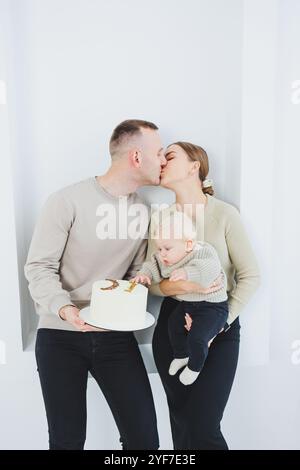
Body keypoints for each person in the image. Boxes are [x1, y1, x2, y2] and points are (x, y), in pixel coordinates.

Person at [24, 119, 166, 450]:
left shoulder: (142, 211)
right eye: (158, 153)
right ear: (135, 157)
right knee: (67, 441)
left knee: (144, 442)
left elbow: (134, 272)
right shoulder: (66, 201)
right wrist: (68, 310)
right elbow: (39, 267)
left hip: (115, 337)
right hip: (60, 335)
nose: (162, 161)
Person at [147, 141, 260, 449]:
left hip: (219, 324)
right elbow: (153, 280)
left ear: (194, 166)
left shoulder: (224, 214)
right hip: (173, 328)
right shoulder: (160, 219)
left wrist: (217, 327)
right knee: (182, 424)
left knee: (203, 428)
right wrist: (175, 287)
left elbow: (251, 276)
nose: (161, 162)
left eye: (169, 156)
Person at [132, 211, 228, 385]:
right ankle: (181, 355)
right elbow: (151, 264)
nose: (162, 254)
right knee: (173, 326)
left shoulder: (202, 251)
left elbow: (210, 269)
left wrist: (186, 272)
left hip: (213, 307)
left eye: (167, 248)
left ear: (189, 244)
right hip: (190, 303)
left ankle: (194, 367)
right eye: (160, 248)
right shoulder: (164, 258)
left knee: (197, 338)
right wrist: (144, 274)